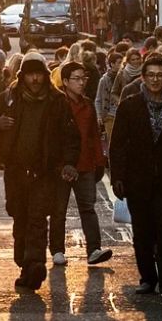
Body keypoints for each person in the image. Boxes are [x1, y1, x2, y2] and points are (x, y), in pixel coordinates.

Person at [0, 51, 80, 291]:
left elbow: (71, 136)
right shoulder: (9, 98)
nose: (35, 79)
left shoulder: (57, 101)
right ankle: (24, 263)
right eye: (30, 75)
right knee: (20, 216)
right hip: (16, 170)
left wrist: (68, 162)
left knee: (37, 219)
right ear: (22, 76)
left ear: (46, 76)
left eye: (39, 74)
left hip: (44, 171)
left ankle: (35, 263)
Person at [109, 55, 162, 295]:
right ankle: (148, 277)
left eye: (160, 75)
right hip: (138, 180)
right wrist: (118, 177)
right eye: (151, 75)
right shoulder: (130, 105)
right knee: (143, 231)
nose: (155, 79)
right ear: (143, 78)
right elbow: (118, 145)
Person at [55, 61, 112, 266]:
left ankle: (94, 249)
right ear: (65, 81)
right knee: (58, 210)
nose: (81, 83)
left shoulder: (88, 104)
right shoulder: (57, 104)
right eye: (77, 79)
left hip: (86, 165)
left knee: (88, 208)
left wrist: (100, 161)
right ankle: (58, 250)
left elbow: (95, 136)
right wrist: (58, 164)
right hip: (62, 167)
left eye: (83, 78)